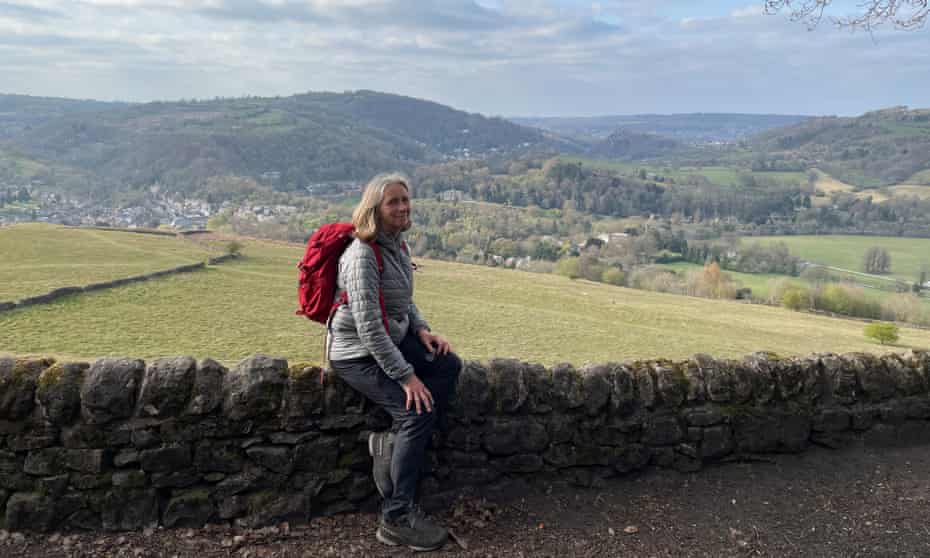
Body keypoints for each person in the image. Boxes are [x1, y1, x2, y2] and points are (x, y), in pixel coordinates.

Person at [327, 172, 462, 552]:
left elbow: (403, 299)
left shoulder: (396, 246)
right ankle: (396, 517)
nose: (402, 207)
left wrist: (422, 329)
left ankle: (395, 443)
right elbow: (368, 328)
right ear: (375, 209)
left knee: (449, 366)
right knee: (415, 412)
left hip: (392, 337)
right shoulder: (361, 256)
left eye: (405, 199)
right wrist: (406, 378)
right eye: (393, 202)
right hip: (356, 353)